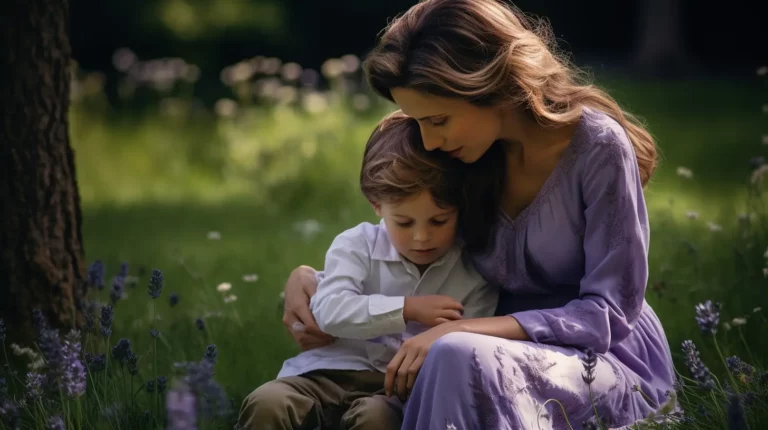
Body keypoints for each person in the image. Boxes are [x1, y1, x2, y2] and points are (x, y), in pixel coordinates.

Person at [278, 0, 678, 428]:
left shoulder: (598, 147)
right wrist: (313, 279)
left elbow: (608, 315)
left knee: (453, 355)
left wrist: (465, 331)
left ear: (488, 87)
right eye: (419, 122)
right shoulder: (460, 151)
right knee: (451, 357)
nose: (428, 141)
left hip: (595, 360)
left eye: (438, 120)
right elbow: (406, 231)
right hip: (470, 348)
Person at [238, 111, 500, 430]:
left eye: (438, 220)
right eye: (403, 222)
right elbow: (329, 311)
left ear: (460, 208)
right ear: (377, 204)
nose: (421, 237)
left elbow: (469, 351)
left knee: (376, 419)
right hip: (323, 374)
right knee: (268, 403)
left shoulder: (473, 268)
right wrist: (407, 309)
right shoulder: (357, 245)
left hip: (394, 392)